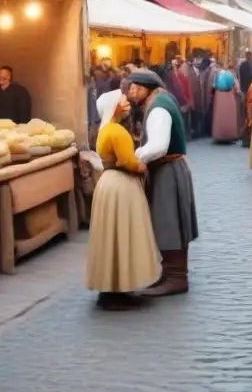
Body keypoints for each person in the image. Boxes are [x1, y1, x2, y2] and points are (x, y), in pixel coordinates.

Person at [85, 90, 161, 310]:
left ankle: (111, 287)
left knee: (110, 238)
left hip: (108, 184)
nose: (126, 105)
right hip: (120, 185)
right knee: (122, 236)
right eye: (122, 103)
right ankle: (116, 291)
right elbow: (128, 161)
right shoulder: (117, 131)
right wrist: (143, 166)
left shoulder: (104, 130)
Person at [126, 69, 198, 296]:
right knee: (168, 221)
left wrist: (133, 157)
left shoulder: (158, 108)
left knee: (170, 221)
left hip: (168, 169)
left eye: (133, 88)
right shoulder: (161, 99)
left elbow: (159, 146)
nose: (130, 93)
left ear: (143, 87)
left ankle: (177, 278)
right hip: (168, 168)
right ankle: (169, 274)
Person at [211, 62, 241, 143]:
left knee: (219, 114)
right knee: (229, 115)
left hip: (219, 96)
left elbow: (214, 85)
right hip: (229, 96)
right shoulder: (231, 75)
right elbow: (236, 87)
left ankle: (218, 134)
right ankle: (230, 134)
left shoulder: (218, 74)